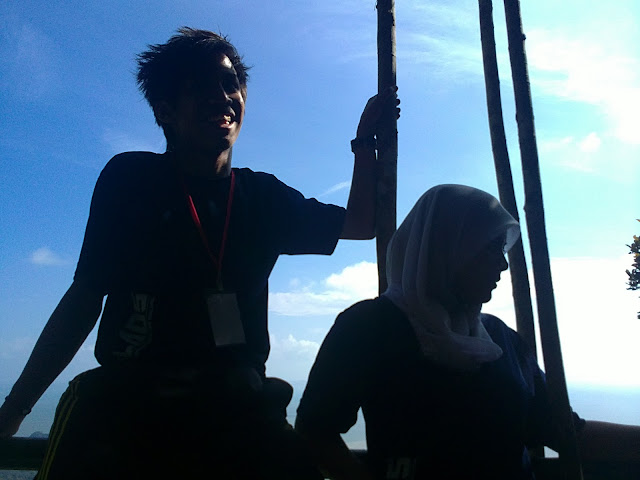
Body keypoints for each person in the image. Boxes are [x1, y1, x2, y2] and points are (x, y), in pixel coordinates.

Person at [0, 27, 400, 479]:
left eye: (230, 84)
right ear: (165, 110)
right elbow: (85, 296)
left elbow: (361, 224)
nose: (222, 97)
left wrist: (365, 144)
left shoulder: (263, 197)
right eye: (201, 86)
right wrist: (15, 409)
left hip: (238, 408)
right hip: (128, 404)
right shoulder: (131, 179)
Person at [295, 184, 640, 479]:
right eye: (491, 248)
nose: (503, 264)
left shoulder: (501, 339)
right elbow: (315, 430)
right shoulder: (370, 327)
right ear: (447, 247)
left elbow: (565, 432)